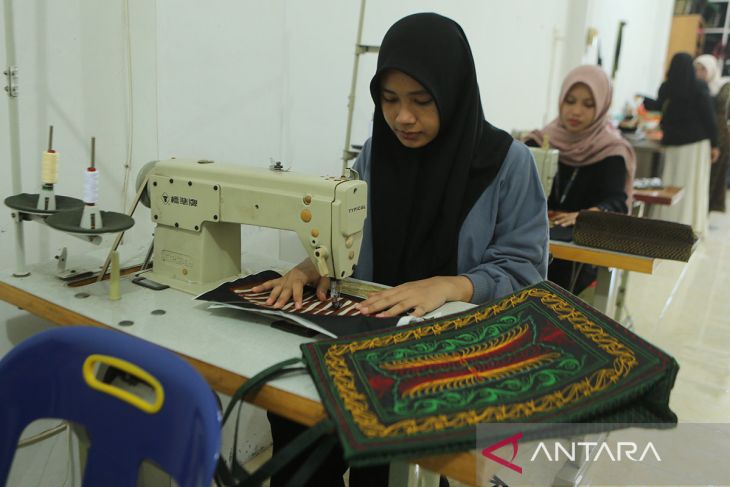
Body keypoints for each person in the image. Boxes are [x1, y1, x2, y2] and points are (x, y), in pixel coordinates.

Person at [253, 12, 549, 486]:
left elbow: (527, 273)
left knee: (387, 464)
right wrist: (311, 266)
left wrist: (449, 285)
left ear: (453, 93)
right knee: (296, 425)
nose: (403, 117)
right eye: (389, 100)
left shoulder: (507, 165)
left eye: (421, 101)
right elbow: (349, 235)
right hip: (364, 341)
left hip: (452, 357)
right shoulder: (376, 152)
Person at [526, 65, 636, 295]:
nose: (575, 111)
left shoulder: (611, 151)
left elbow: (618, 201)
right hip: (532, 243)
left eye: (588, 104)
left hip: (580, 253)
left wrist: (586, 215)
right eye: (570, 101)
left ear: (602, 106)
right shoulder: (539, 141)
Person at [644, 52, 718, 237]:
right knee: (692, 185)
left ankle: (667, 223)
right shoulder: (699, 87)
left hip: (673, 143)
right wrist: (715, 145)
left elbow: (660, 107)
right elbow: (710, 120)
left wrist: (645, 101)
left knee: (671, 181)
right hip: (697, 145)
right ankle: (690, 225)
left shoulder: (667, 87)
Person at [694, 54, 729, 213]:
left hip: (720, 134)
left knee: (714, 175)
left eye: (703, 69)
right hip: (701, 133)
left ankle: (705, 211)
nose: (699, 73)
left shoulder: (724, 86)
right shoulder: (694, 87)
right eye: (696, 69)